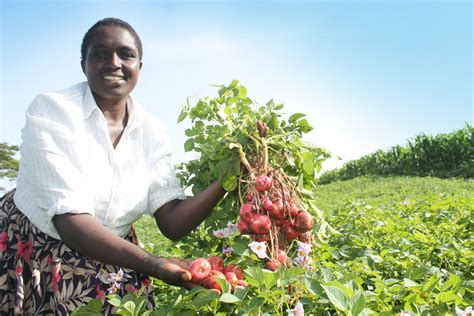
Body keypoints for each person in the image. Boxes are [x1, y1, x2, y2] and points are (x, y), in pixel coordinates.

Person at [0, 17, 226, 315]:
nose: (114, 63)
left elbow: (171, 220)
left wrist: (228, 180)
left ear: (140, 67)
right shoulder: (53, 110)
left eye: (126, 54)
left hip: (117, 251)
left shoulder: (152, 130)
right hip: (40, 246)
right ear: (84, 63)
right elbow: (70, 221)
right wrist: (154, 263)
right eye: (100, 54)